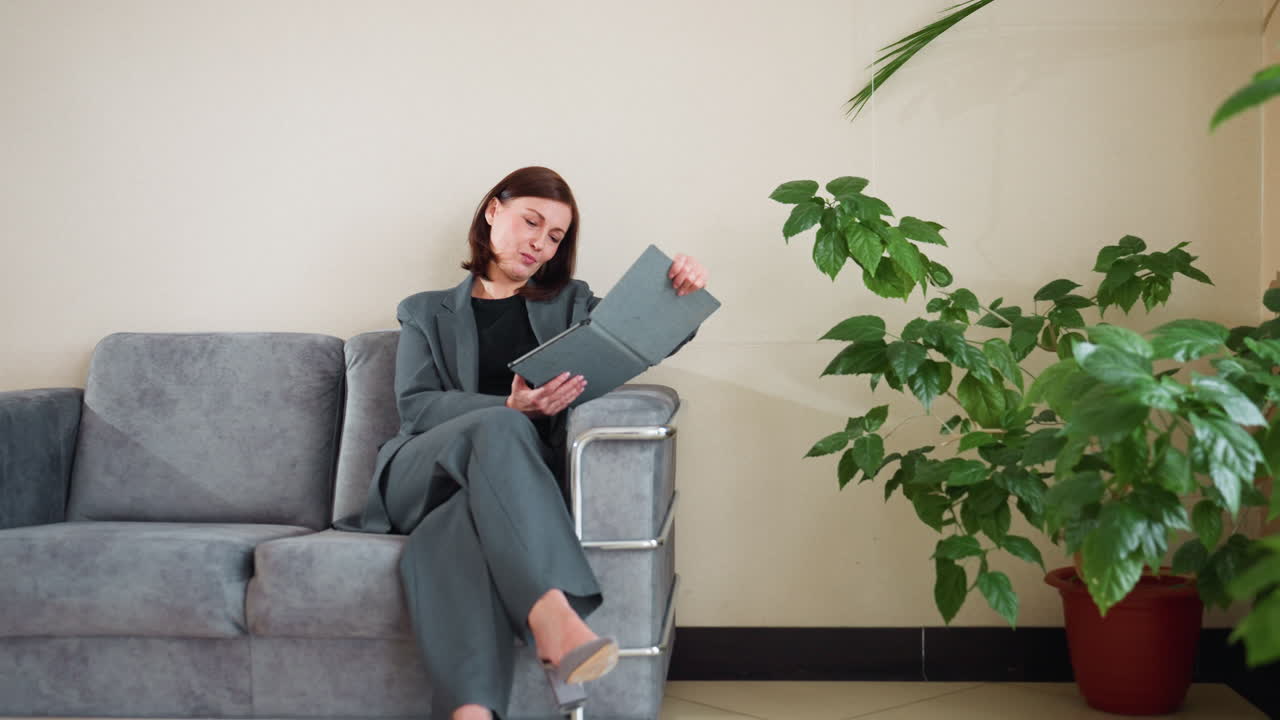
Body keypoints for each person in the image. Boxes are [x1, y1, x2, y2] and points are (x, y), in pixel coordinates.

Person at [334, 166, 709, 720]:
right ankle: (552, 614)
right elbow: (415, 407)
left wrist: (679, 289)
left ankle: (470, 713)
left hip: (502, 494)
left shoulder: (572, 304)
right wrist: (506, 409)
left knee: (453, 536)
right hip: (422, 470)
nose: (540, 242)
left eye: (555, 236)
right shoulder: (422, 310)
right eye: (531, 222)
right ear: (493, 211)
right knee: (503, 424)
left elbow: (643, 331)